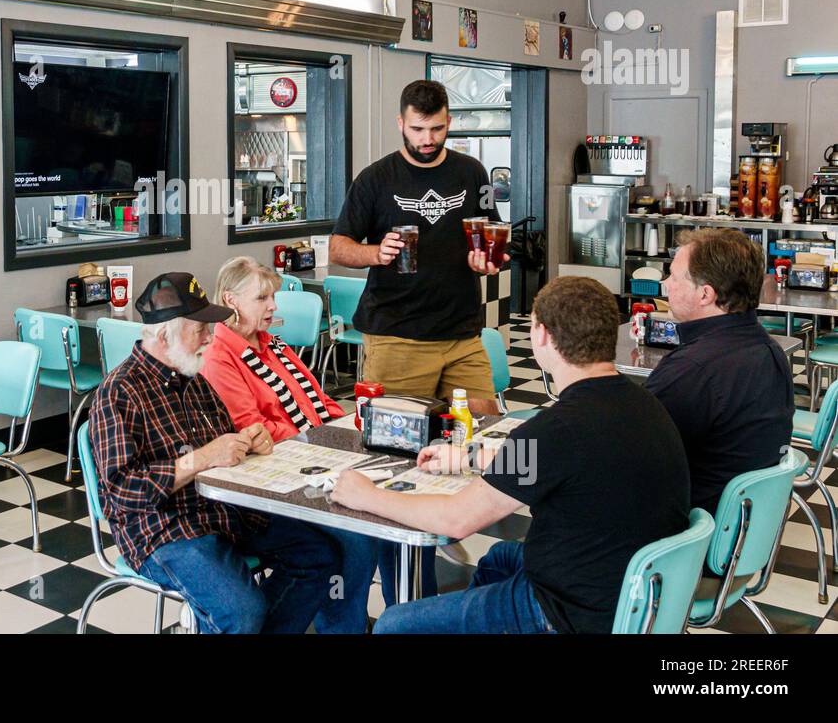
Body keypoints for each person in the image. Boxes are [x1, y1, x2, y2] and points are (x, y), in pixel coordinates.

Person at [332, 276, 691, 634]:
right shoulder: (644, 403)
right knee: (499, 559)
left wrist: (367, 495)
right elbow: (568, 462)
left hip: (568, 611)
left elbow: (456, 521)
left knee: (394, 625)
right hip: (636, 591)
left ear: (542, 335)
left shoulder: (555, 428)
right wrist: (471, 456)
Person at [89, 271, 341, 633]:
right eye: (199, 330)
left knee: (318, 556)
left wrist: (250, 444)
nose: (210, 338)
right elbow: (121, 493)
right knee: (240, 612)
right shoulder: (119, 393)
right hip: (162, 529)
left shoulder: (195, 381)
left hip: (220, 510)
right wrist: (203, 458)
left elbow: (224, 445)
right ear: (164, 336)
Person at [200, 256, 385, 631]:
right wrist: (325, 441)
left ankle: (349, 619)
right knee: (357, 540)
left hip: (318, 456)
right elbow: (254, 429)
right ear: (230, 300)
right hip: (271, 481)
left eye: (273, 297)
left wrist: (346, 431)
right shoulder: (220, 356)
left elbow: (317, 397)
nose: (273, 307)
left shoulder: (273, 343)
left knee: (382, 514)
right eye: (262, 298)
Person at [329, 78, 504, 401]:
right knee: (401, 441)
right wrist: (376, 253)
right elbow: (338, 247)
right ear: (401, 124)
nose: (428, 139)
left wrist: (485, 259)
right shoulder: (375, 178)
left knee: (482, 430)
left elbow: (488, 232)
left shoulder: (473, 172)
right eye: (417, 130)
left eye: (437, 129)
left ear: (449, 121)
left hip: (461, 334)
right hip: (397, 336)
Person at [646, 228, 794, 512]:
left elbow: (626, 453)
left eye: (675, 277)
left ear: (705, 294)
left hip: (687, 538)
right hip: (743, 528)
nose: (666, 284)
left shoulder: (693, 370)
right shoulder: (769, 351)